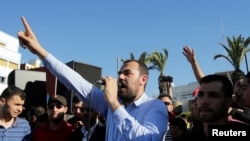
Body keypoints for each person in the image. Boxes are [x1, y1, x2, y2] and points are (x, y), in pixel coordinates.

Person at [17, 16, 168, 141]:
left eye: (127, 73)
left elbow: (147, 139)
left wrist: (114, 104)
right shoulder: (109, 104)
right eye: (119, 73)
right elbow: (74, 80)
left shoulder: (155, 107)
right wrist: (39, 50)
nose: (120, 76)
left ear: (143, 79)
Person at [184, 74, 249, 140]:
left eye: (213, 95)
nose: (204, 101)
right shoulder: (189, 136)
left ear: (228, 102)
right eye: (200, 95)